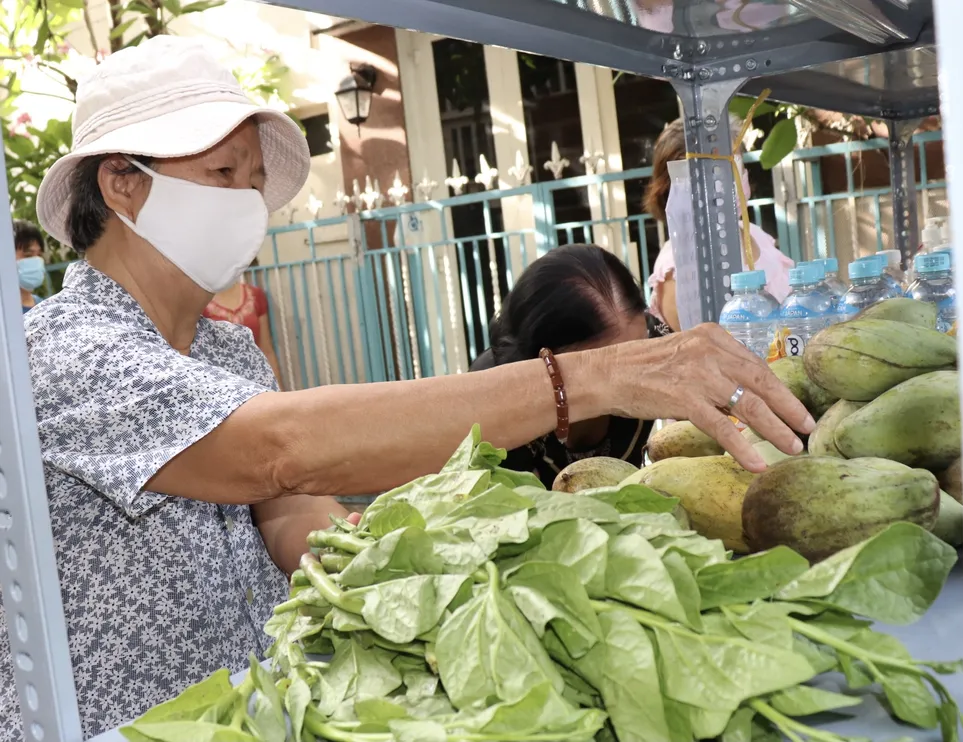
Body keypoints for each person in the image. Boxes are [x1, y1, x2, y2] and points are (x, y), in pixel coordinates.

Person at [0, 36, 813, 739]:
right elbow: (280, 450)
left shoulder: (226, 351)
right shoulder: (63, 353)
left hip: (246, 714)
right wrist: (596, 375)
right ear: (122, 182)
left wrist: (419, 562)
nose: (248, 202)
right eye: (222, 172)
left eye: (254, 178)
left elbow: (289, 514)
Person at [470, 244, 670, 487]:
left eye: (638, 352)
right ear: (541, 358)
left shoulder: (658, 345)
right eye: (605, 369)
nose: (632, 374)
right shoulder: (494, 401)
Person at [644, 118, 794, 331]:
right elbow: (699, 343)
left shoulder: (754, 233)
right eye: (715, 169)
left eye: (735, 164)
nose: (728, 179)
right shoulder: (677, 264)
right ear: (675, 186)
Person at [203, 258, 284, 388]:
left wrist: (279, 390)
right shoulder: (201, 303)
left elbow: (266, 349)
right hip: (223, 384)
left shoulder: (255, 295)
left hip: (258, 382)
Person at [12, 218, 46, 313]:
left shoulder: (44, 308)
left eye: (39, 255)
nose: (36, 261)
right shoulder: (4, 315)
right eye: (28, 255)